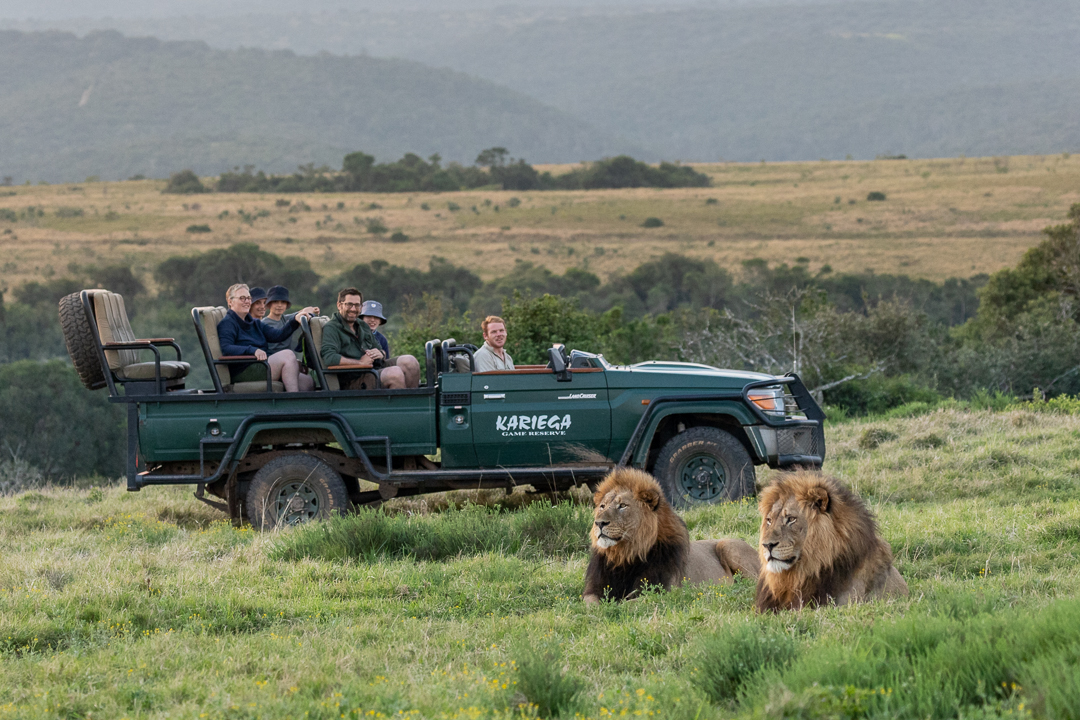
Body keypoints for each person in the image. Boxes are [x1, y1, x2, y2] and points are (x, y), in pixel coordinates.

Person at [217, 283, 319, 392]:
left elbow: (278, 335)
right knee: (288, 354)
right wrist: (252, 350)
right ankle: (293, 399)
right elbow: (226, 348)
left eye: (248, 298)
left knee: (307, 382)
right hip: (245, 369)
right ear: (230, 301)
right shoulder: (227, 323)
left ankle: (297, 407)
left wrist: (295, 320)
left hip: (262, 364)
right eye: (242, 298)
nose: (246, 301)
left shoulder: (254, 322)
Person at [321, 288, 420, 389]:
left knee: (410, 362)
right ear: (339, 305)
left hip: (373, 369)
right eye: (349, 304)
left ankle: (415, 403)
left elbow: (380, 350)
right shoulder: (332, 327)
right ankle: (401, 404)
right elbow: (329, 357)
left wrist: (380, 353)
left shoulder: (362, 325)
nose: (353, 309)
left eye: (357, 305)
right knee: (395, 373)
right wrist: (360, 363)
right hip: (353, 378)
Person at [263, 285, 301, 356]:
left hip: (288, 358)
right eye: (275, 302)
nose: (279, 305)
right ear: (269, 304)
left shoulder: (287, 319)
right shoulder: (263, 324)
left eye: (283, 302)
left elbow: (300, 313)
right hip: (270, 360)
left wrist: (312, 310)